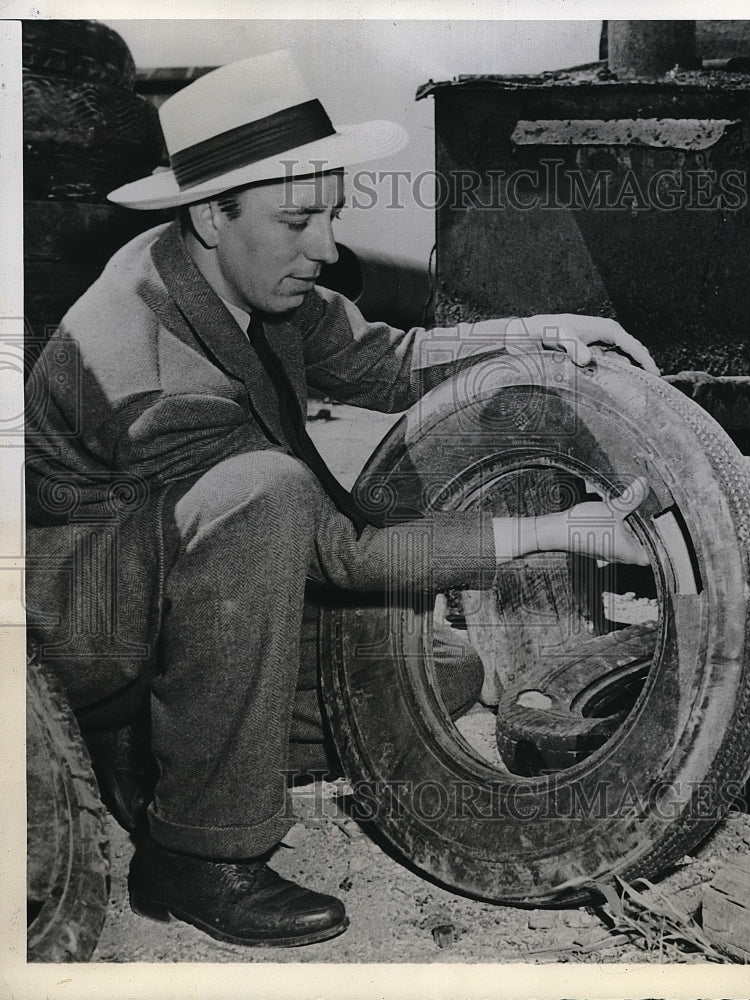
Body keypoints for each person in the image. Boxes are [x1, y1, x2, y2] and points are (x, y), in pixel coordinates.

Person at [25, 49, 657, 949]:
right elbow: (331, 548)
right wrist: (556, 531)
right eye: (296, 220)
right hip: (79, 629)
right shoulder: (145, 367)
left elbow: (384, 361)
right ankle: (197, 854)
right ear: (211, 214)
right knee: (268, 491)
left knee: (437, 671)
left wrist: (539, 335)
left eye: (331, 214)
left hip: (179, 587)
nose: (323, 248)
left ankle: (152, 753)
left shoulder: (237, 275)